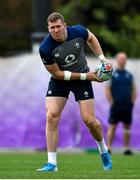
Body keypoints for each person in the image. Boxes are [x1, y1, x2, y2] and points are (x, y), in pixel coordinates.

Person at [37, 12, 112, 172]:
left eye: (58, 26)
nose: (55, 30)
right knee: (51, 115)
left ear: (64, 25)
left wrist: (102, 59)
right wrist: (88, 76)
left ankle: (103, 150)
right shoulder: (45, 48)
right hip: (61, 80)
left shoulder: (78, 31)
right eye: (52, 28)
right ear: (48, 29)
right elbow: (56, 73)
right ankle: (52, 163)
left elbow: (91, 37)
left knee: (90, 121)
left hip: (82, 80)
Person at [105, 52, 136, 155]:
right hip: (116, 105)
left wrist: (132, 102)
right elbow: (107, 89)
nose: (123, 60)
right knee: (113, 125)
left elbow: (134, 90)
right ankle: (108, 148)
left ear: (126, 61)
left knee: (127, 127)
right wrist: (112, 102)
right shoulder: (112, 74)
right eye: (121, 58)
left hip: (127, 105)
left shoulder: (129, 75)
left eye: (124, 59)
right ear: (117, 60)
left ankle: (126, 148)